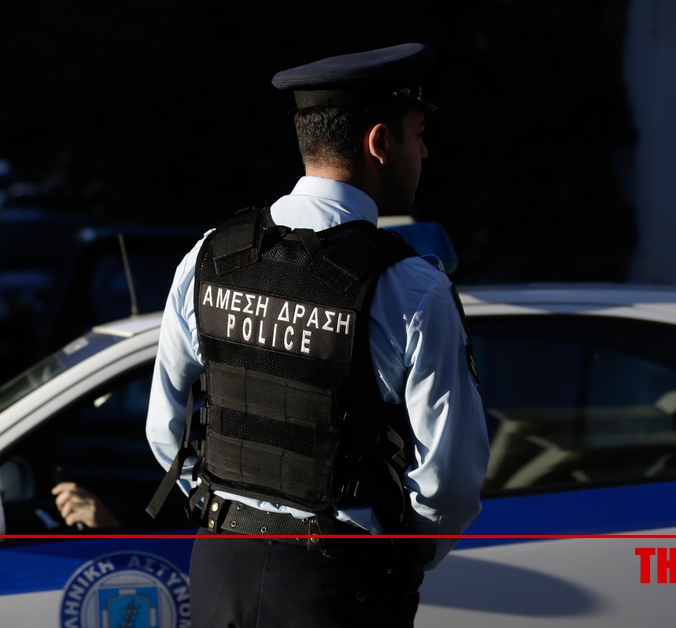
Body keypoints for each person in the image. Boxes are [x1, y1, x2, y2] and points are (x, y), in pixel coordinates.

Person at [145, 43, 489, 627]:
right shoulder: (411, 289)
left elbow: (165, 430)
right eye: (419, 134)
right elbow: (450, 479)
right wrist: (400, 553)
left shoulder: (210, 257)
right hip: (337, 584)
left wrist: (229, 509)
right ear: (380, 143)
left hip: (221, 570)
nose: (426, 152)